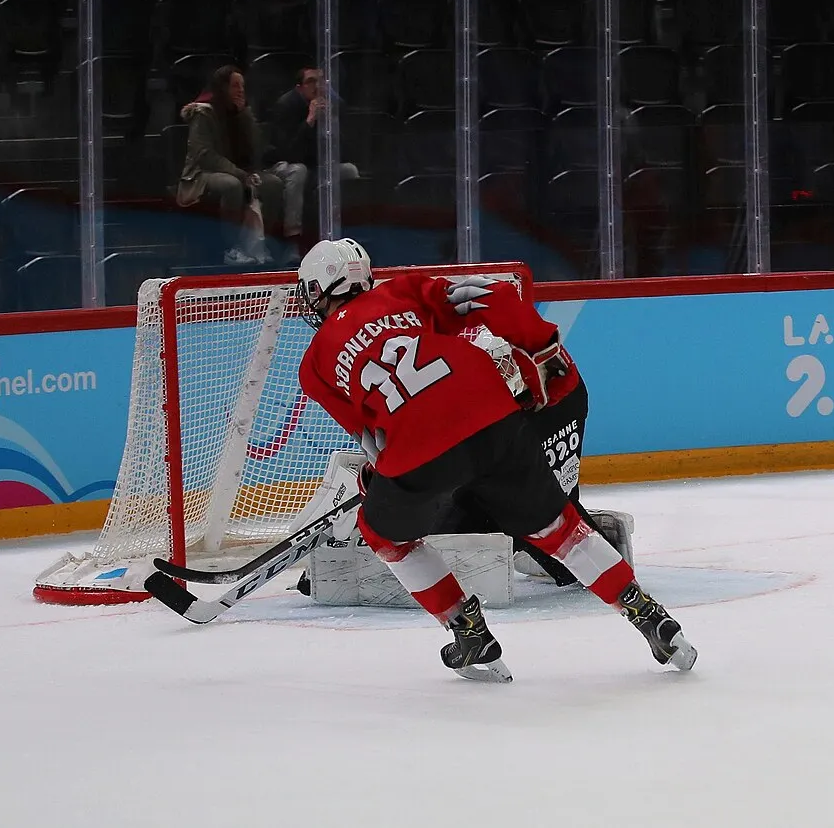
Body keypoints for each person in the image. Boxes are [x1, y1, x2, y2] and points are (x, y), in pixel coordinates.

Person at [293, 239, 697, 681]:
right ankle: (649, 616)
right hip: (493, 412)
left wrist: (378, 477)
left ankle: (468, 634)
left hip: (419, 447)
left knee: (382, 532)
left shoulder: (315, 364)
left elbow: (375, 438)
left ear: (319, 289)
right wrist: (543, 349)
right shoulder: (403, 292)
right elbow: (493, 295)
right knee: (558, 528)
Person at [176, 65, 284, 266]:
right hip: (201, 175)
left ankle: (260, 245)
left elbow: (256, 149)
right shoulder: (203, 113)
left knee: (273, 184)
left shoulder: (241, 112)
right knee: (232, 185)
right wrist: (240, 174)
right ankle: (232, 248)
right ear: (222, 87)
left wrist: (244, 115)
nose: (241, 90)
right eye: (235, 86)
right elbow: (204, 155)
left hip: (240, 170)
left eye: (242, 86)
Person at [264, 67, 361, 245]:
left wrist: (330, 121)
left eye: (320, 81)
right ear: (299, 87)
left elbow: (345, 151)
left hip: (315, 165)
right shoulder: (286, 105)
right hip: (283, 164)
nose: (317, 86)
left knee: (349, 170)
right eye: (310, 81)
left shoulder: (331, 105)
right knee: (298, 171)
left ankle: (348, 234)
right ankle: (292, 238)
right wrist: (309, 120)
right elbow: (289, 152)